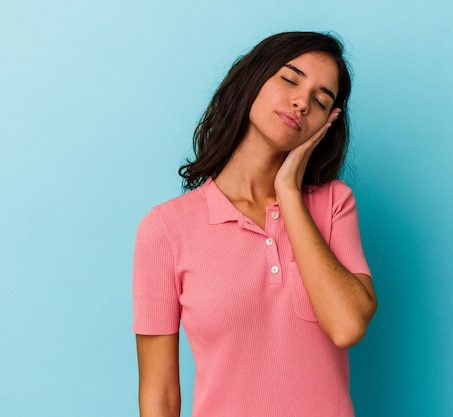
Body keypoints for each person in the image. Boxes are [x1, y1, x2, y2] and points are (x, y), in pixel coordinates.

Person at [132, 31, 377, 417]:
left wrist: (289, 194)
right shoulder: (166, 228)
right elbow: (159, 395)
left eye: (320, 100)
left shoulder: (334, 204)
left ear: (326, 124)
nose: (301, 102)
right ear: (253, 79)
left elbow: (347, 326)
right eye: (290, 79)